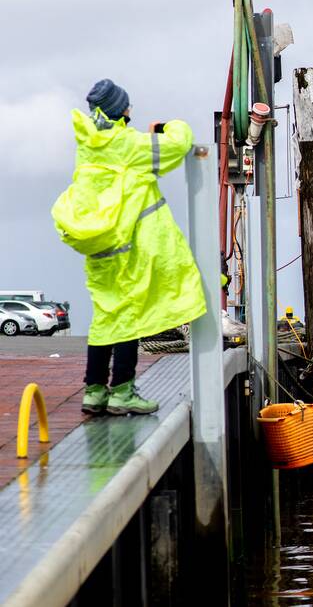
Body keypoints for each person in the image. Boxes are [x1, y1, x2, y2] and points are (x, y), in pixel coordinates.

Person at [52, 79, 207, 415]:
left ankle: (94, 391)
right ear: (120, 110)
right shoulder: (129, 146)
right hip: (129, 250)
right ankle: (122, 391)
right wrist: (170, 126)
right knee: (128, 321)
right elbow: (178, 144)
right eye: (127, 106)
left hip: (99, 250)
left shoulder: (87, 145)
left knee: (105, 319)